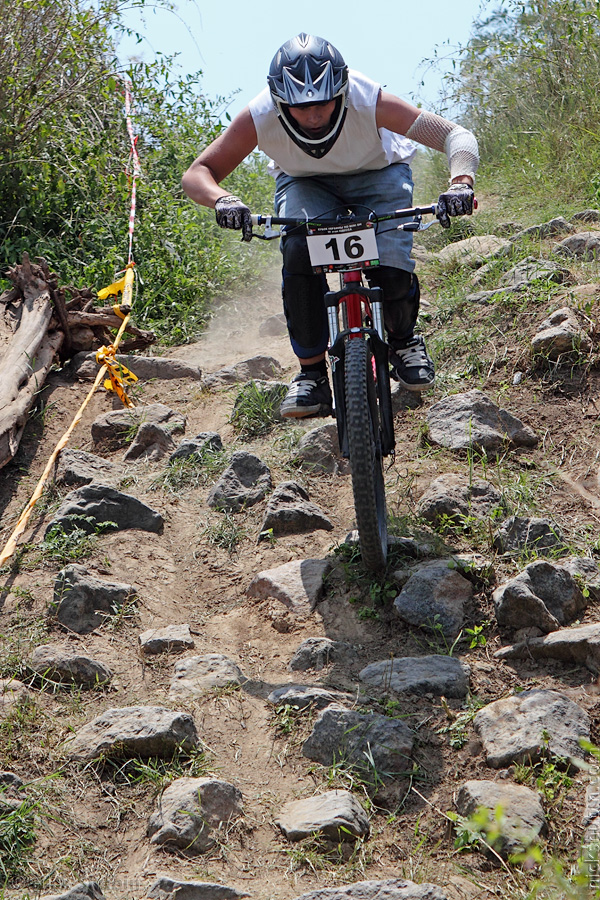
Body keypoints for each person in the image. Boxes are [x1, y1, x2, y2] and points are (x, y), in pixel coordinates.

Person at [182, 33, 478, 418]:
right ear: (279, 102)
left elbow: (455, 134)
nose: (313, 115)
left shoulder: (368, 98)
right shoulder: (259, 115)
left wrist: (461, 182)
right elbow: (198, 172)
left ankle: (404, 342)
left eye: (323, 102)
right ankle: (311, 376)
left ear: (341, 90)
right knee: (298, 252)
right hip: (306, 183)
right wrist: (223, 199)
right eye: (299, 107)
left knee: (389, 263)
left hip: (380, 174)